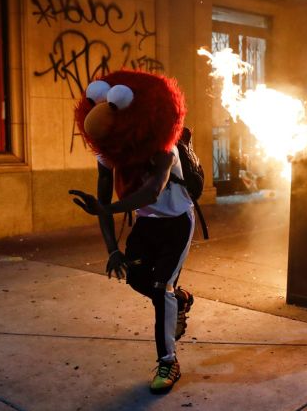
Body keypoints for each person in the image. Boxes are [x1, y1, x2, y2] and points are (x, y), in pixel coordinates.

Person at [69, 70, 195, 394]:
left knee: (160, 287)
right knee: (139, 280)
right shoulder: (109, 153)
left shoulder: (164, 148)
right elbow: (101, 199)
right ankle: (179, 300)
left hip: (176, 224)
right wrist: (112, 249)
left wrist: (109, 209)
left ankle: (168, 361)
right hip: (147, 225)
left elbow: (153, 191)